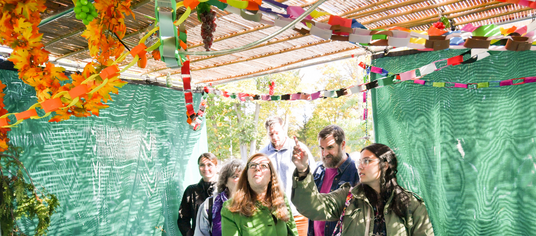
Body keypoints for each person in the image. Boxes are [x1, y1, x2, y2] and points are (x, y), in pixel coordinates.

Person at [291, 143, 434, 236]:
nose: (360, 166)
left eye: (367, 161)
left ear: (385, 165)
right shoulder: (348, 198)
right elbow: (311, 206)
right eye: (360, 162)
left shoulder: (411, 204)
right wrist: (302, 170)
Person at [259, 116, 315, 236]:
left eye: (277, 133)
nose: (274, 137)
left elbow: (313, 175)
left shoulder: (299, 149)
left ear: (284, 130)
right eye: (271, 134)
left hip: (298, 213)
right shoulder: (263, 154)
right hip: (273, 214)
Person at [221, 153, 298, 236]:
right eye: (252, 165)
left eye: (263, 165)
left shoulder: (281, 198)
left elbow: (292, 232)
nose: (257, 168)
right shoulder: (230, 207)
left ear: (271, 176)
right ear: (246, 176)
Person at [309, 125, 359, 236]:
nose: (324, 153)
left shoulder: (356, 173)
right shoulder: (318, 171)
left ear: (343, 145)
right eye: (322, 148)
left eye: (330, 147)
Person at [195, 159, 245, 236]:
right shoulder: (210, 204)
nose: (240, 180)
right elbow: (201, 233)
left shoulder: (254, 203)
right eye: (235, 176)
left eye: (243, 177)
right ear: (225, 182)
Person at [178, 153, 219, 236]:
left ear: (216, 167)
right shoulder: (191, 191)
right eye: (202, 165)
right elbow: (183, 219)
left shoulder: (224, 190)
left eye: (209, 165)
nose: (206, 168)